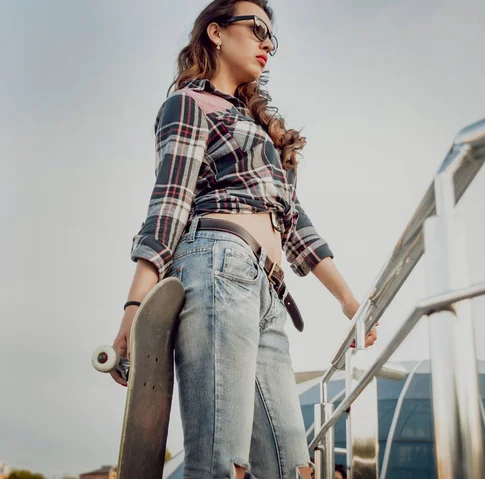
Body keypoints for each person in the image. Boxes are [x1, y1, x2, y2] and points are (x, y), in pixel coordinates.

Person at [110, 1, 377, 478]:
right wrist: (135, 308)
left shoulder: (260, 130)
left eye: (272, 37)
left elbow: (296, 225)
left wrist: (348, 301)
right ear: (215, 32)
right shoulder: (189, 105)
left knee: (291, 467)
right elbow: (170, 203)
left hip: (269, 294)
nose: (267, 43)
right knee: (222, 462)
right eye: (257, 29)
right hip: (218, 265)